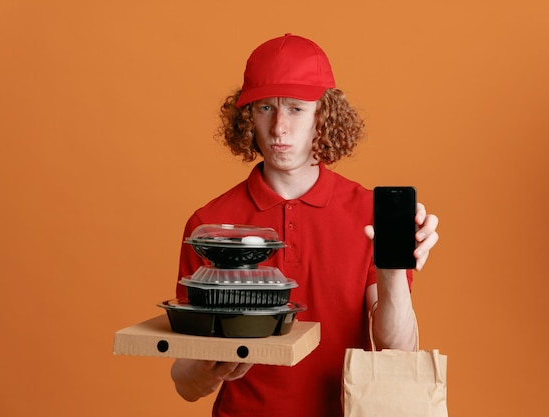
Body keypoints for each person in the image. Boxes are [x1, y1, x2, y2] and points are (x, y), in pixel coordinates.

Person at [170, 33, 439, 417]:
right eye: (265, 108)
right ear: (248, 117)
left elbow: (399, 350)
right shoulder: (208, 225)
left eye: (296, 109)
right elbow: (185, 384)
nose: (279, 128)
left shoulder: (367, 213)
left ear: (323, 116)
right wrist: (213, 366)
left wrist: (393, 274)